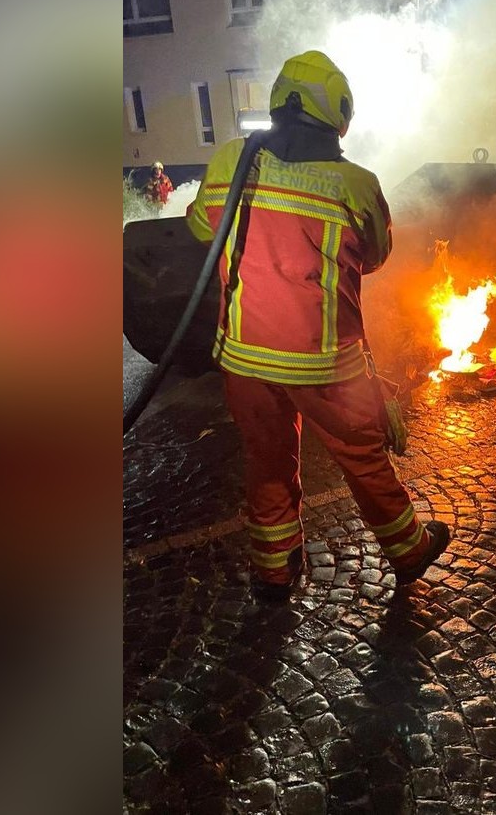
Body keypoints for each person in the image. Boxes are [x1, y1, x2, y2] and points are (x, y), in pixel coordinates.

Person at [186, 50, 450, 601]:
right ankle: (407, 549)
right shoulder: (356, 184)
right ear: (338, 115)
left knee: (267, 459)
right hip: (324, 359)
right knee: (362, 454)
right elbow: (375, 255)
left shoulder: (231, 162)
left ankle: (276, 571)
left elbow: (199, 227)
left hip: (246, 356)